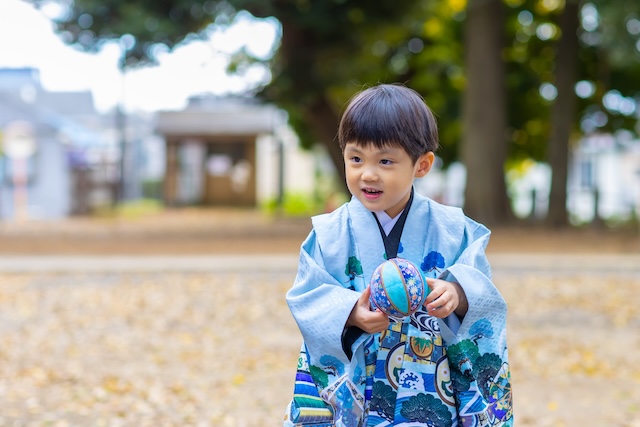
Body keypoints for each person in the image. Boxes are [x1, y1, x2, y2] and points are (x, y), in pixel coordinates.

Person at [283, 83, 512, 427]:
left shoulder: (453, 229)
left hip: (431, 385)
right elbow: (307, 295)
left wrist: (458, 293)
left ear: (422, 165)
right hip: (358, 381)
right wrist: (350, 313)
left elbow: (482, 291)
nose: (368, 174)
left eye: (385, 161)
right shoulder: (329, 234)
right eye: (356, 158)